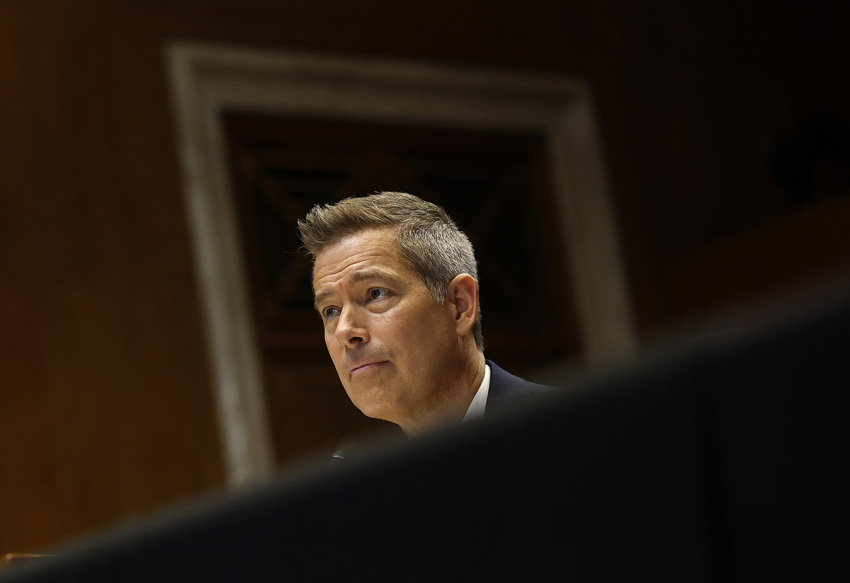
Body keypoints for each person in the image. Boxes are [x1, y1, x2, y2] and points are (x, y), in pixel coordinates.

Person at [297, 191, 554, 437]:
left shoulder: (577, 432)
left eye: (375, 294)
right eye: (331, 311)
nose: (345, 331)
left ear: (460, 305)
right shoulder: (375, 481)